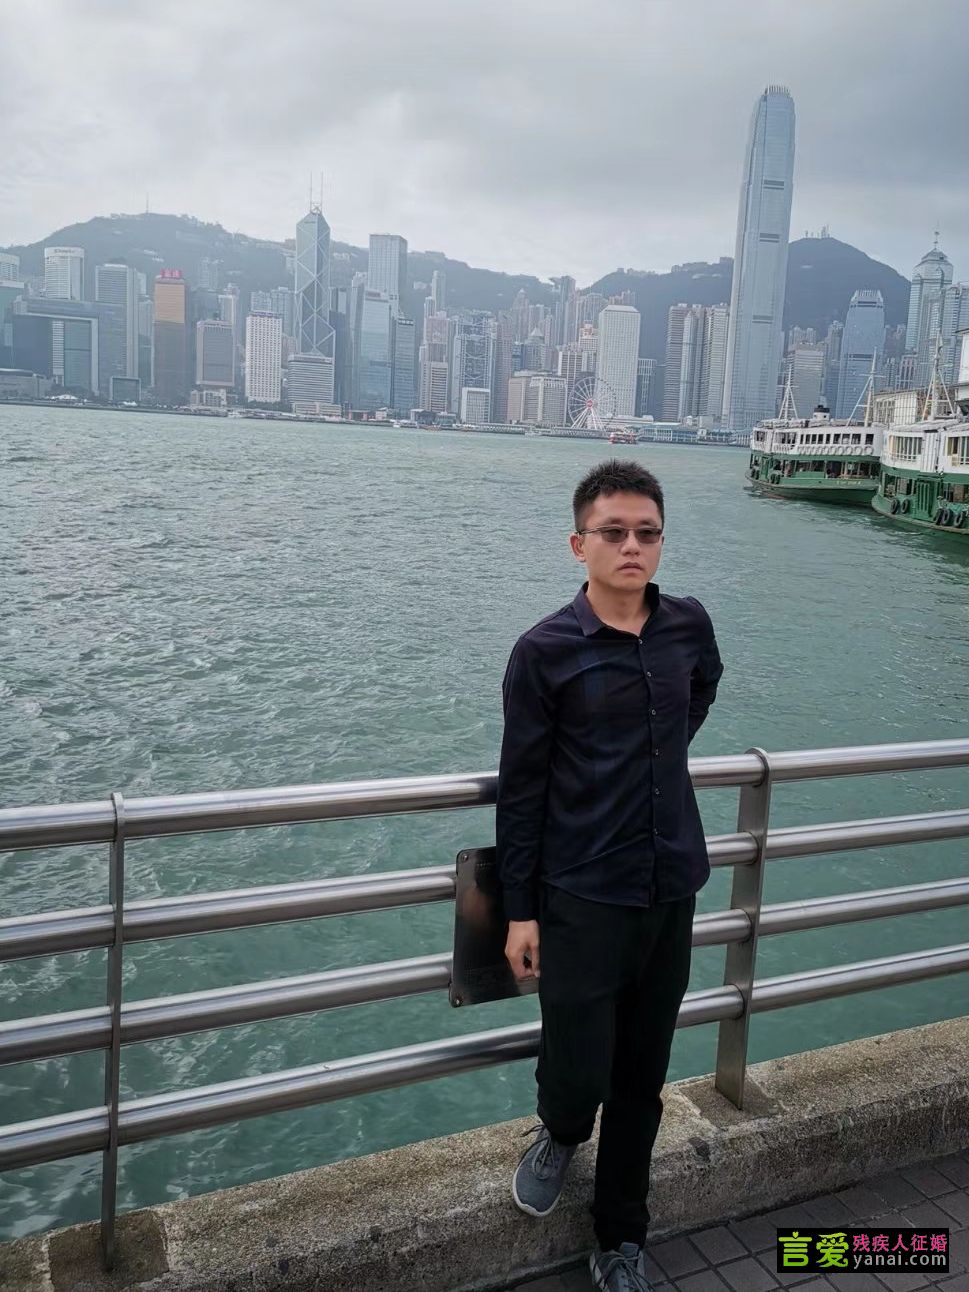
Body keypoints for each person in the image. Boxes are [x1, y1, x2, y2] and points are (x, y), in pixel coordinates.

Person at [496, 459, 724, 1292]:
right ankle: (560, 1131)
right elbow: (521, 790)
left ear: (660, 543)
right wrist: (519, 911)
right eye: (613, 532)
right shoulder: (543, 652)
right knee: (576, 1058)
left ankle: (620, 1235)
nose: (632, 546)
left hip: (669, 885)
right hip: (581, 892)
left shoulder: (686, 625)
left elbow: (701, 691)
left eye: (646, 533)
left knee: (642, 1074)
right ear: (578, 545)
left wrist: (652, 750)